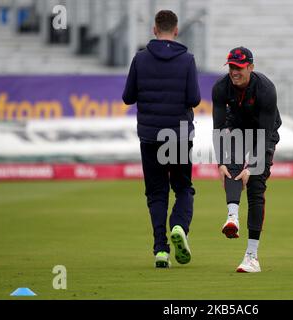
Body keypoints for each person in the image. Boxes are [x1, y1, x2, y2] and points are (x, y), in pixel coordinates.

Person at [122, 10, 201, 268]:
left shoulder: (140, 59)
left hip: (149, 136)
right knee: (183, 188)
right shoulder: (187, 60)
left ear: (154, 30)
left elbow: (127, 97)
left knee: (156, 194)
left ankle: (160, 250)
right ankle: (178, 226)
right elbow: (194, 99)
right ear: (176, 30)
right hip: (177, 136)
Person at [212, 47, 282, 272]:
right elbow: (218, 128)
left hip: (264, 133)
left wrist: (251, 167)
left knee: (255, 186)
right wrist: (220, 163)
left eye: (239, 68)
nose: (234, 72)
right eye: (231, 67)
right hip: (236, 129)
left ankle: (252, 257)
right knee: (230, 166)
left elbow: (264, 132)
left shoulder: (266, 89)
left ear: (251, 67)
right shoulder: (221, 88)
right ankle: (232, 217)